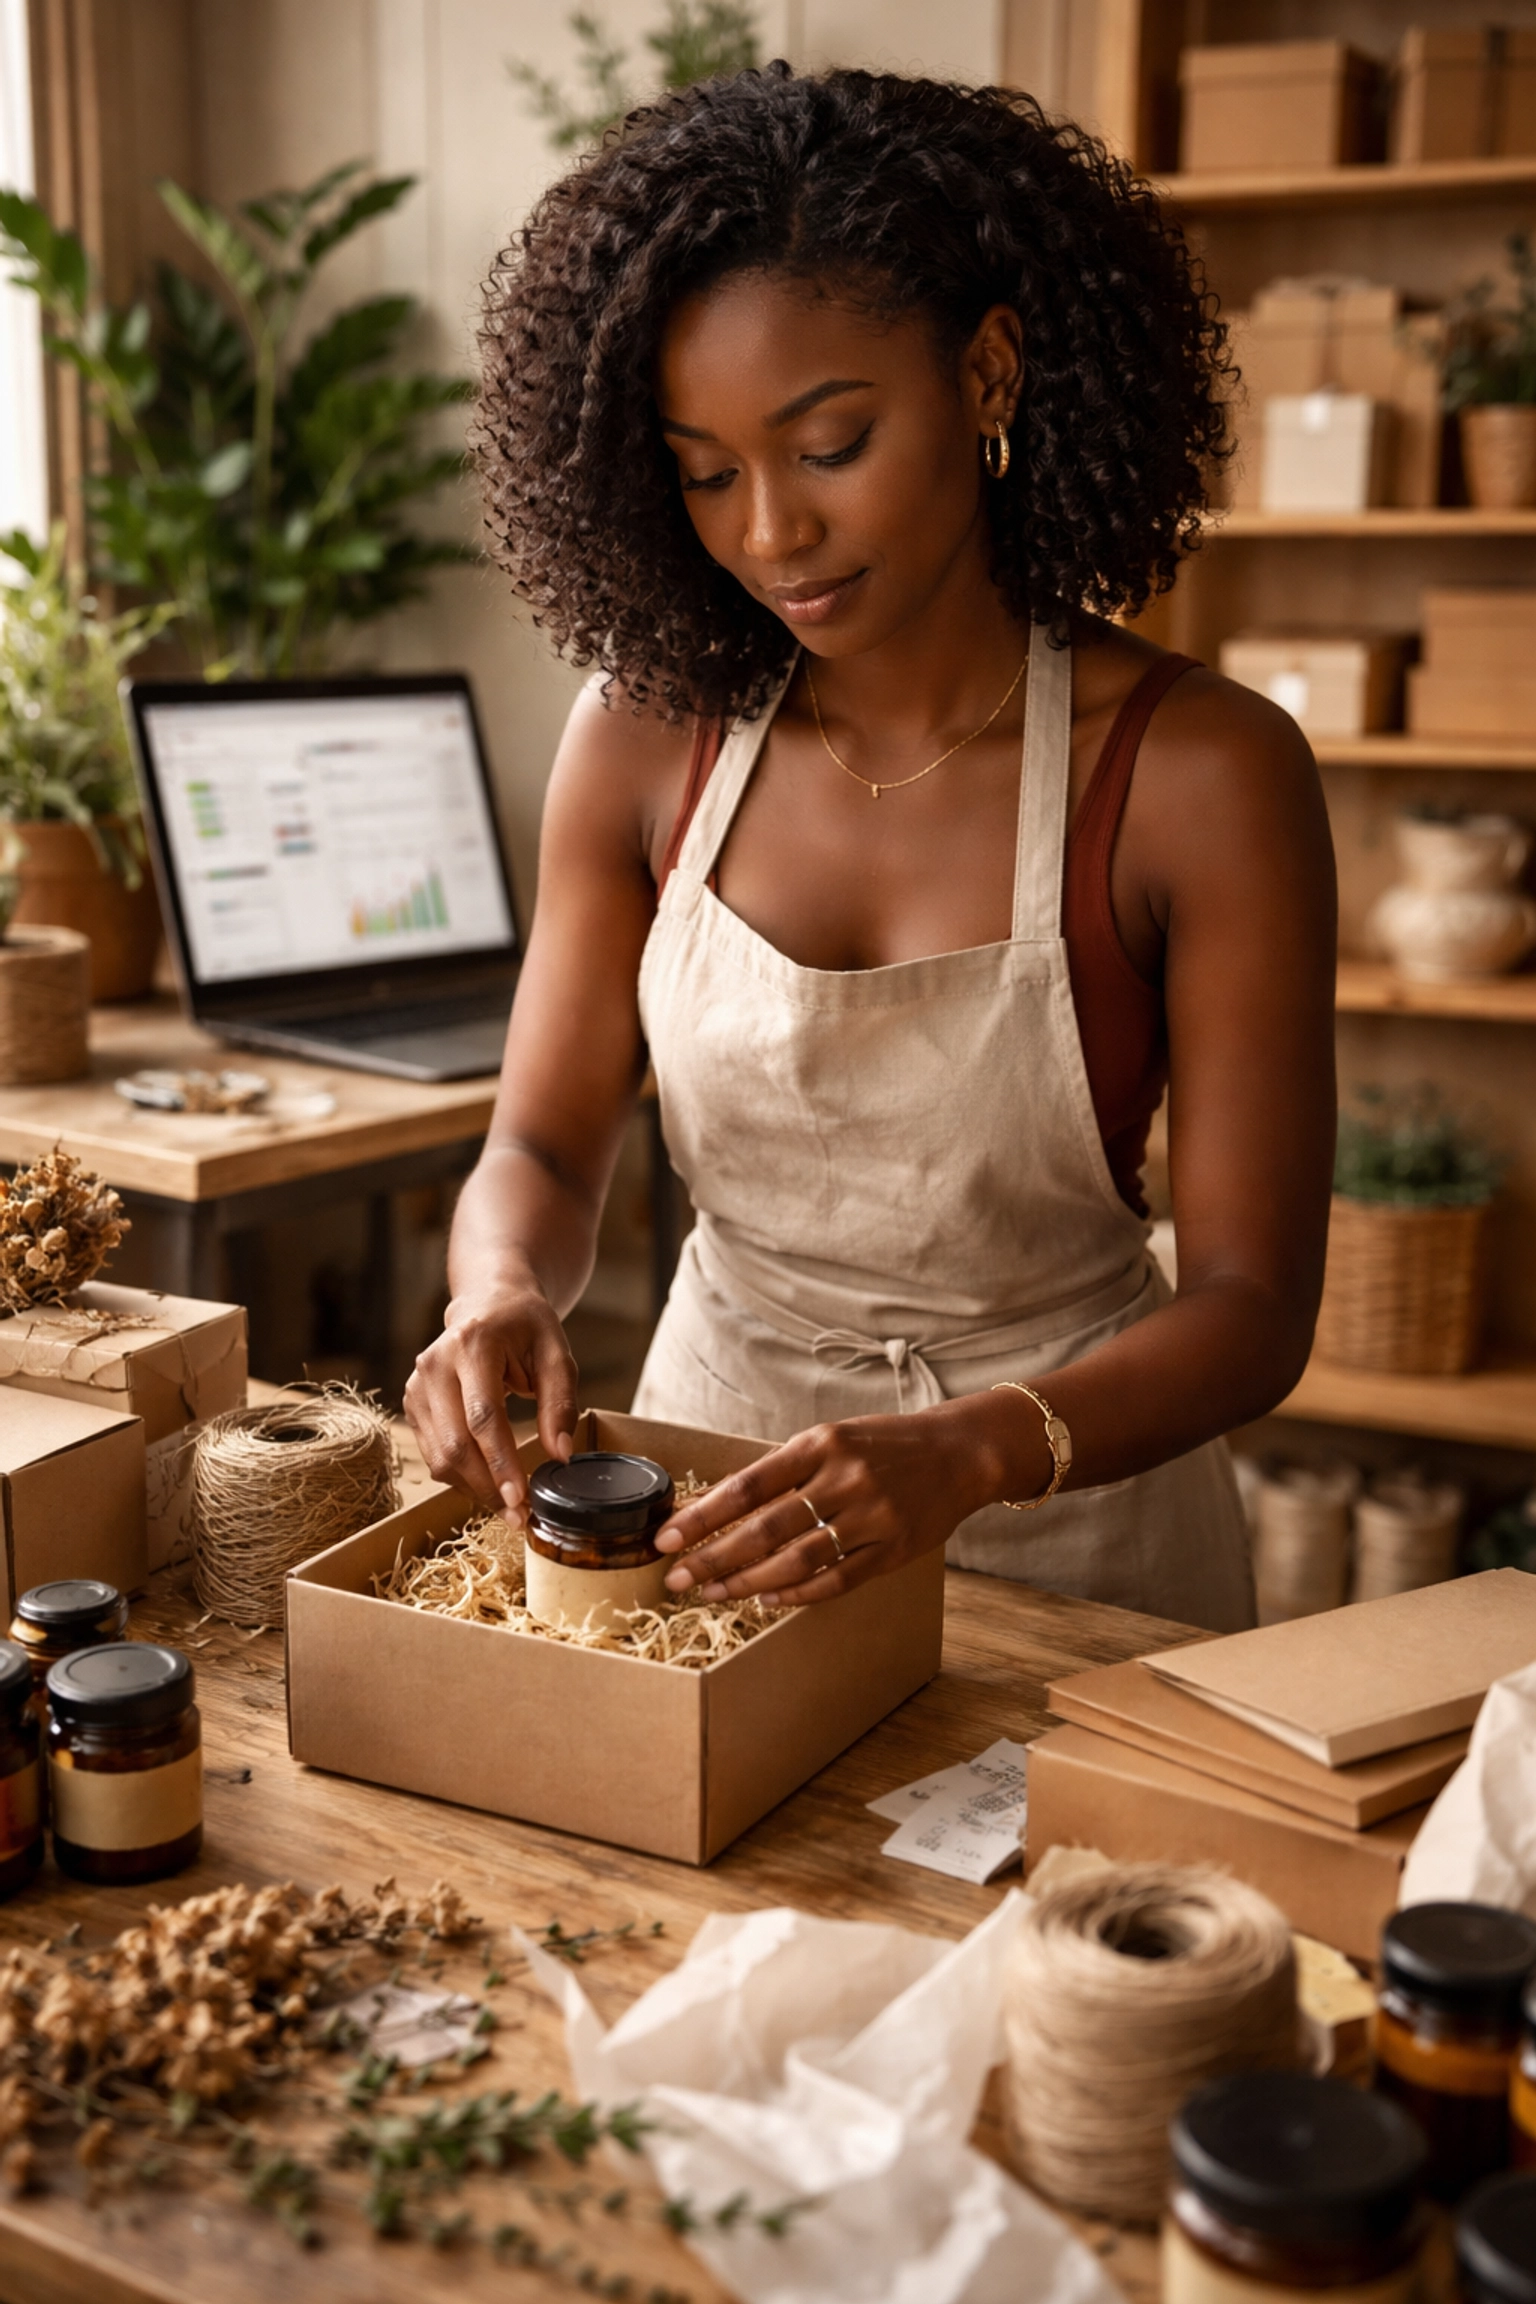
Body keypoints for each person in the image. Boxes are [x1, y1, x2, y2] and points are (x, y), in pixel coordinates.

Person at [404, 65, 1337, 1634]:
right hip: (714, 1515)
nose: (768, 531)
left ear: (987, 376)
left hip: (1070, 1537)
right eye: (705, 472)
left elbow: (1254, 1310)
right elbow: (546, 1152)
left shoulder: (1199, 773)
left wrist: (974, 1449)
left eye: (828, 444)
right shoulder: (646, 739)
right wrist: (497, 1288)